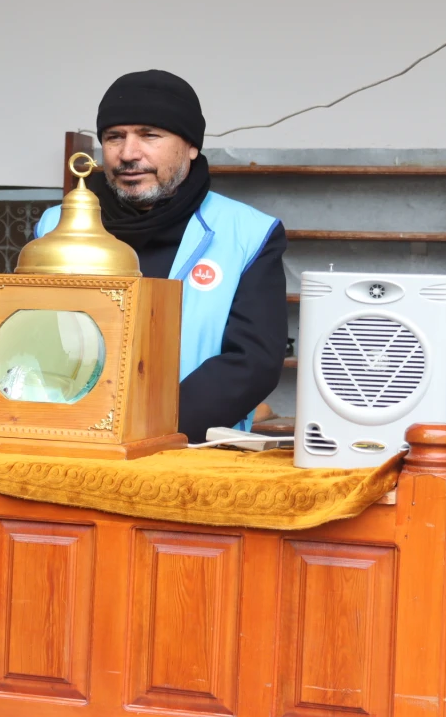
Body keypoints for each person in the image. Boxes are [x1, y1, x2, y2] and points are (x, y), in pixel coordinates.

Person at [36, 70, 288, 442]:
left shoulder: (249, 233)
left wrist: (148, 429)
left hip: (192, 448)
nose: (128, 154)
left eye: (149, 135)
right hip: (71, 438)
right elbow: (37, 338)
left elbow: (252, 362)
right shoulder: (57, 228)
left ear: (190, 146)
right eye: (114, 137)